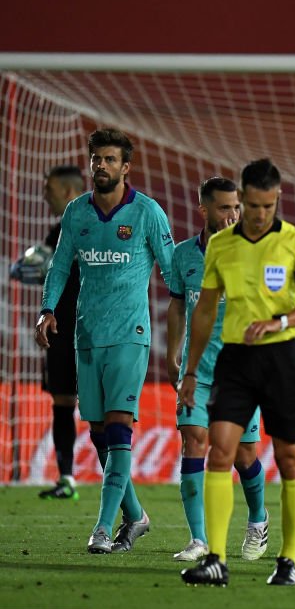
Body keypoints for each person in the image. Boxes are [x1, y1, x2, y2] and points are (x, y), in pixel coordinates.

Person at [178, 158, 295, 587]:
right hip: (236, 360)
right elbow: (205, 309)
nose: (260, 214)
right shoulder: (222, 247)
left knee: (289, 457)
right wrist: (190, 371)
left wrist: (280, 321)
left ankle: (288, 559)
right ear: (240, 200)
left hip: (281, 356)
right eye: (253, 206)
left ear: (277, 198)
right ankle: (215, 558)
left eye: (268, 205)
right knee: (220, 452)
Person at [35, 128, 175, 553]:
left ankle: (102, 528)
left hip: (130, 337)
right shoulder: (76, 213)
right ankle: (136, 515)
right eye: (96, 159)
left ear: (125, 167)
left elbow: (172, 275)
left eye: (110, 159)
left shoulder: (148, 213)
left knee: (118, 427)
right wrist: (47, 309)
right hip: (86, 335)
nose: (101, 166)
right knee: (99, 433)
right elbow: (59, 267)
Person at [166, 177, 269, 562]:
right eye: (225, 207)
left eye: (237, 207)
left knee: (243, 456)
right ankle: (199, 539)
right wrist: (171, 352)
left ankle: (258, 519)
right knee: (194, 440)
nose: (233, 215)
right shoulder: (182, 256)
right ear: (204, 210)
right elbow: (177, 305)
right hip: (197, 371)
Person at [32, 166, 85, 500]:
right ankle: (67, 478)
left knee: (107, 410)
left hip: (98, 329)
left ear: (68, 191)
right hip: (60, 328)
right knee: (63, 400)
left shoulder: (97, 228)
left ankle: (120, 480)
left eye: (48, 188)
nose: (43, 194)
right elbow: (49, 273)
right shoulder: (56, 233)